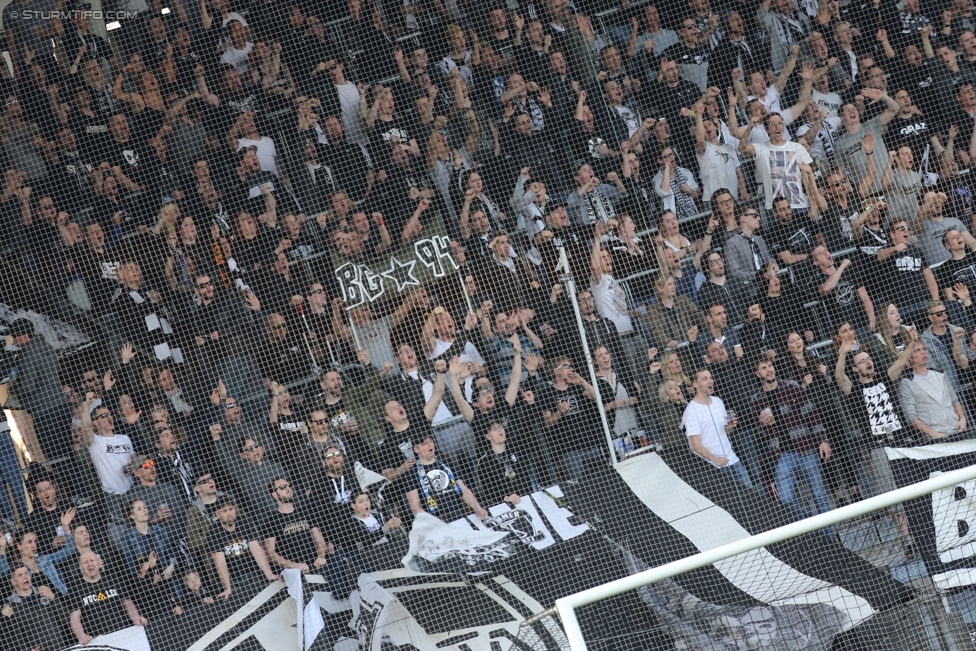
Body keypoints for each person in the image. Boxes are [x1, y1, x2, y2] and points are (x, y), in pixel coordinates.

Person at [835, 335, 916, 544]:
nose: (867, 362)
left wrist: (912, 342)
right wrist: (843, 353)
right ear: (855, 369)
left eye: (868, 358)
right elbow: (839, 376)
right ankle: (907, 538)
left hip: (901, 441)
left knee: (912, 485)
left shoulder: (884, 378)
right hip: (877, 447)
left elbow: (900, 362)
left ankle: (917, 529)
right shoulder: (853, 391)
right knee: (891, 495)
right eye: (861, 361)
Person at [750, 358, 832, 518]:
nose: (769, 370)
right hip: (782, 456)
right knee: (785, 500)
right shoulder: (756, 400)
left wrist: (822, 440)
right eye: (764, 368)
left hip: (806, 448)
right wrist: (761, 424)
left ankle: (829, 538)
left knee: (819, 496)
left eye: (770, 366)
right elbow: (760, 435)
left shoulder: (791, 386)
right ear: (757, 373)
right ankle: (809, 527)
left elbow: (811, 413)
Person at [262, 477, 350, 599]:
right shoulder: (271, 521)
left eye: (288, 485)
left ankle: (344, 595)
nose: (288, 489)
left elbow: (319, 540)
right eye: (282, 488)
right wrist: (295, 565)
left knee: (340, 560)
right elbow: (270, 553)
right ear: (274, 495)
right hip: (295, 571)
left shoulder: (305, 512)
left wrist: (321, 556)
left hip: (316, 564)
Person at [681, 368, 752, 487]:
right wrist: (715, 459)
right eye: (705, 379)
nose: (710, 381)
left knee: (751, 495)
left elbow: (725, 433)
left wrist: (731, 426)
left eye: (710, 378)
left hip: (732, 460)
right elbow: (695, 445)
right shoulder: (691, 410)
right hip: (714, 467)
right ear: (695, 384)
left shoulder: (718, 401)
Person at [67, 551, 148, 644]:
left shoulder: (113, 578)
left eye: (92, 560)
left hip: (124, 633)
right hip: (98, 640)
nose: (89, 564)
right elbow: (74, 618)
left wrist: (136, 618)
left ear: (99, 563)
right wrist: (81, 636)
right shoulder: (75, 588)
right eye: (85, 562)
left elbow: (127, 603)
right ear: (80, 568)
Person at [208, 496, 279, 602]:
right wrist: (228, 587)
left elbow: (256, 548)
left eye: (231, 509)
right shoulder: (213, 531)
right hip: (234, 581)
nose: (229, 514)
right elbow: (219, 561)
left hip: (254, 573)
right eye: (224, 511)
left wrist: (269, 574)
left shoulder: (245, 522)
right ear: (217, 513)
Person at [407, 434, 487, 523]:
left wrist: (477, 507)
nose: (430, 445)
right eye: (424, 443)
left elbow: (463, 489)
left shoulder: (446, 463)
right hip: (436, 520)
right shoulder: (412, 473)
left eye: (431, 441)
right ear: (416, 449)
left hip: (460, 514)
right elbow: (415, 506)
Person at [900, 341, 969, 440]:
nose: (923, 352)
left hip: (956, 430)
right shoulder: (907, 382)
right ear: (910, 357)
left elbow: (954, 400)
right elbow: (911, 417)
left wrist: (962, 418)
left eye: (924, 349)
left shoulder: (940, 374)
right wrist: (934, 434)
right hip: (934, 438)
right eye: (918, 350)